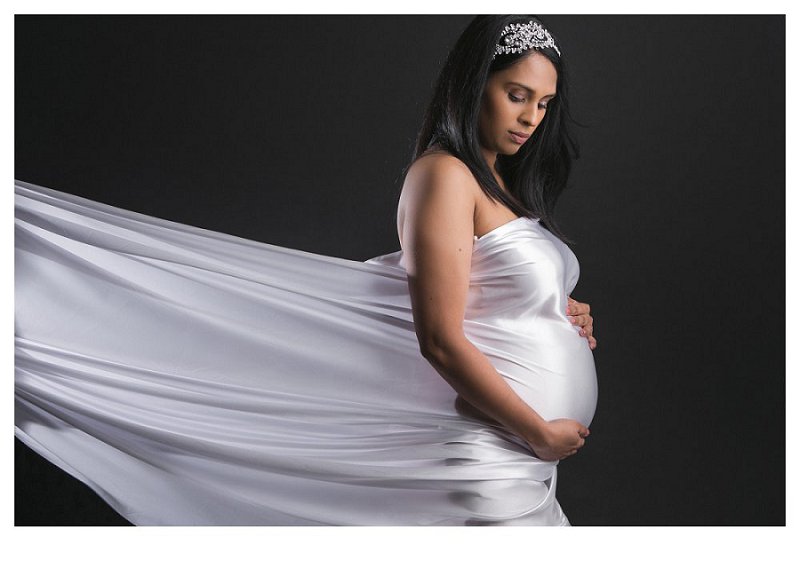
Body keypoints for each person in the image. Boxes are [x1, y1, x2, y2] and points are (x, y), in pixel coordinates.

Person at [15, 15, 597, 525]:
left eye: (544, 104)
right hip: (493, 453)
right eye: (517, 94)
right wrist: (537, 430)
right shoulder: (445, 175)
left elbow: (488, 296)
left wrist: (552, 312)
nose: (531, 118)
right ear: (475, 86)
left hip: (517, 456)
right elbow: (440, 340)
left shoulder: (498, 186)